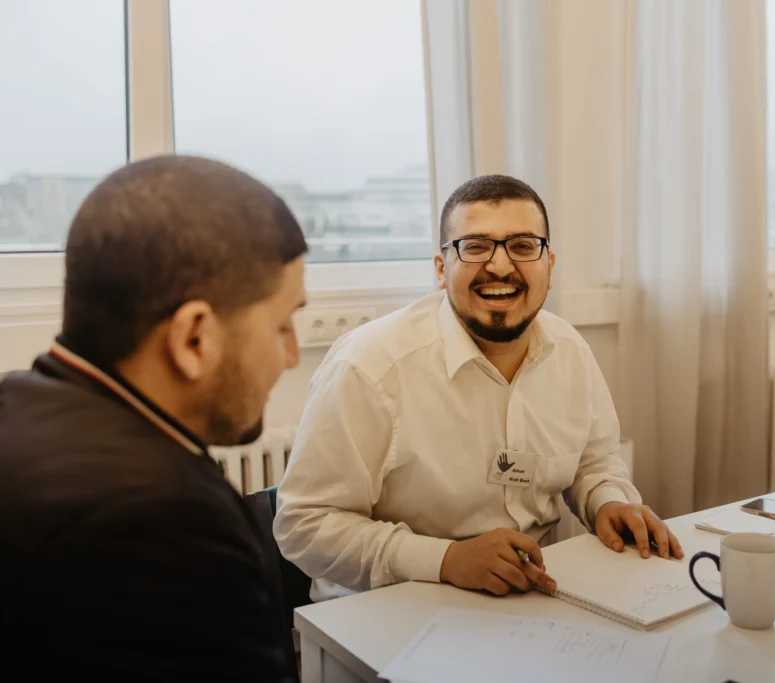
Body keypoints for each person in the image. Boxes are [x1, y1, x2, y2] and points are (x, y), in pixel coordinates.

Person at [275, 174, 682, 600]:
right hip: (386, 612)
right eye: (475, 247)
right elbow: (304, 524)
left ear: (549, 265)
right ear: (440, 268)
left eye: (523, 246)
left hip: (531, 598)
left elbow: (593, 462)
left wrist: (608, 502)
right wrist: (446, 560)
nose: (501, 266)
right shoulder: (368, 369)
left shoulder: (569, 352)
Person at [0, 156, 308, 681]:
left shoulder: (20, 400)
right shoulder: (165, 521)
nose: (293, 356)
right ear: (193, 338)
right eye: (282, 325)